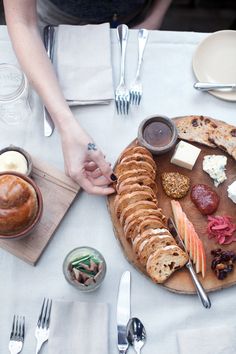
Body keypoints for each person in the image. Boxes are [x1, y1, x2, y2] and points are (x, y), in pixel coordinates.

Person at [3, 0, 172, 195]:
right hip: (60, 23)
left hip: (138, 17)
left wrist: (155, 17)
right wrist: (67, 127)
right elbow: (21, 22)